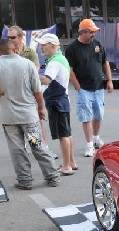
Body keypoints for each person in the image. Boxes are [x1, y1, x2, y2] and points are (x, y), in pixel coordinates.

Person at [0, 39, 60, 189]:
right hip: (28, 116)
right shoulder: (27, 64)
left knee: (17, 149)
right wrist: (41, 108)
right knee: (37, 145)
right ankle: (52, 177)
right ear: (14, 49)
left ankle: (25, 180)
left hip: (9, 118)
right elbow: (37, 90)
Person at [64, 18, 113, 157]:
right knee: (86, 117)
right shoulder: (72, 48)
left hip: (98, 87)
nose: (94, 35)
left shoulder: (97, 44)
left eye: (94, 32)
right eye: (91, 32)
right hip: (83, 89)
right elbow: (70, 69)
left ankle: (96, 138)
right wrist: (77, 86)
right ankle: (89, 145)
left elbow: (105, 63)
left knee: (98, 115)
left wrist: (109, 80)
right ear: (83, 32)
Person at [8, 25, 57, 159]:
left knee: (36, 123)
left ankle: (43, 149)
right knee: (16, 125)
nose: (10, 40)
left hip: (28, 95)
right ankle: (23, 150)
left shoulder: (29, 52)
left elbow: (34, 70)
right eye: (8, 37)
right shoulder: (6, 52)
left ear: (20, 37)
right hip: (11, 96)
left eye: (12, 37)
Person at [37, 33, 77, 175]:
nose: (41, 47)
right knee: (67, 133)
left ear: (53, 46)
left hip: (57, 101)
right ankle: (71, 162)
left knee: (62, 135)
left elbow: (47, 80)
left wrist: (31, 75)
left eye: (44, 44)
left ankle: (67, 166)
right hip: (62, 99)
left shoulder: (54, 62)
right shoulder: (60, 58)